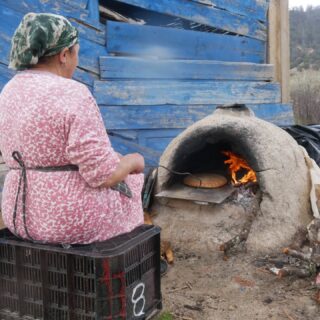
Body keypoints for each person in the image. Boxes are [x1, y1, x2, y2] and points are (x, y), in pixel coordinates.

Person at [0, 13, 145, 244]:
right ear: (64, 55)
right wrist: (132, 161)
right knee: (132, 181)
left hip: (18, 215)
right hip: (67, 221)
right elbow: (103, 175)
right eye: (76, 52)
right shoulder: (73, 93)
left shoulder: (8, 91)